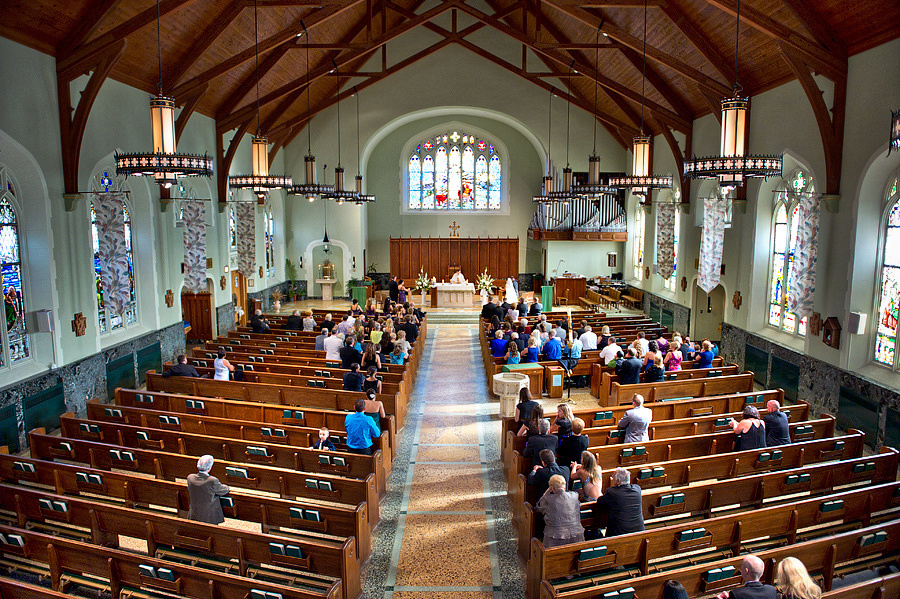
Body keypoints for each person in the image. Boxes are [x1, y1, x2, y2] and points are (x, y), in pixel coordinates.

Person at [535, 474, 584, 548]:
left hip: (555, 539)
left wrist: (545, 493)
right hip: (576, 536)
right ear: (565, 486)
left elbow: (539, 507)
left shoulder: (548, 498)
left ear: (552, 488)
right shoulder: (574, 495)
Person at [592, 467, 644, 537]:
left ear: (618, 481)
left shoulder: (612, 493)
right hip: (638, 531)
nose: (612, 477)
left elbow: (600, 501)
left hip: (619, 533)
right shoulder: (637, 489)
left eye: (613, 475)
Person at [187, 455, 230, 525]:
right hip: (209, 515)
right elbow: (224, 490)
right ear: (209, 468)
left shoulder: (190, 478)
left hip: (194, 512)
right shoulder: (212, 480)